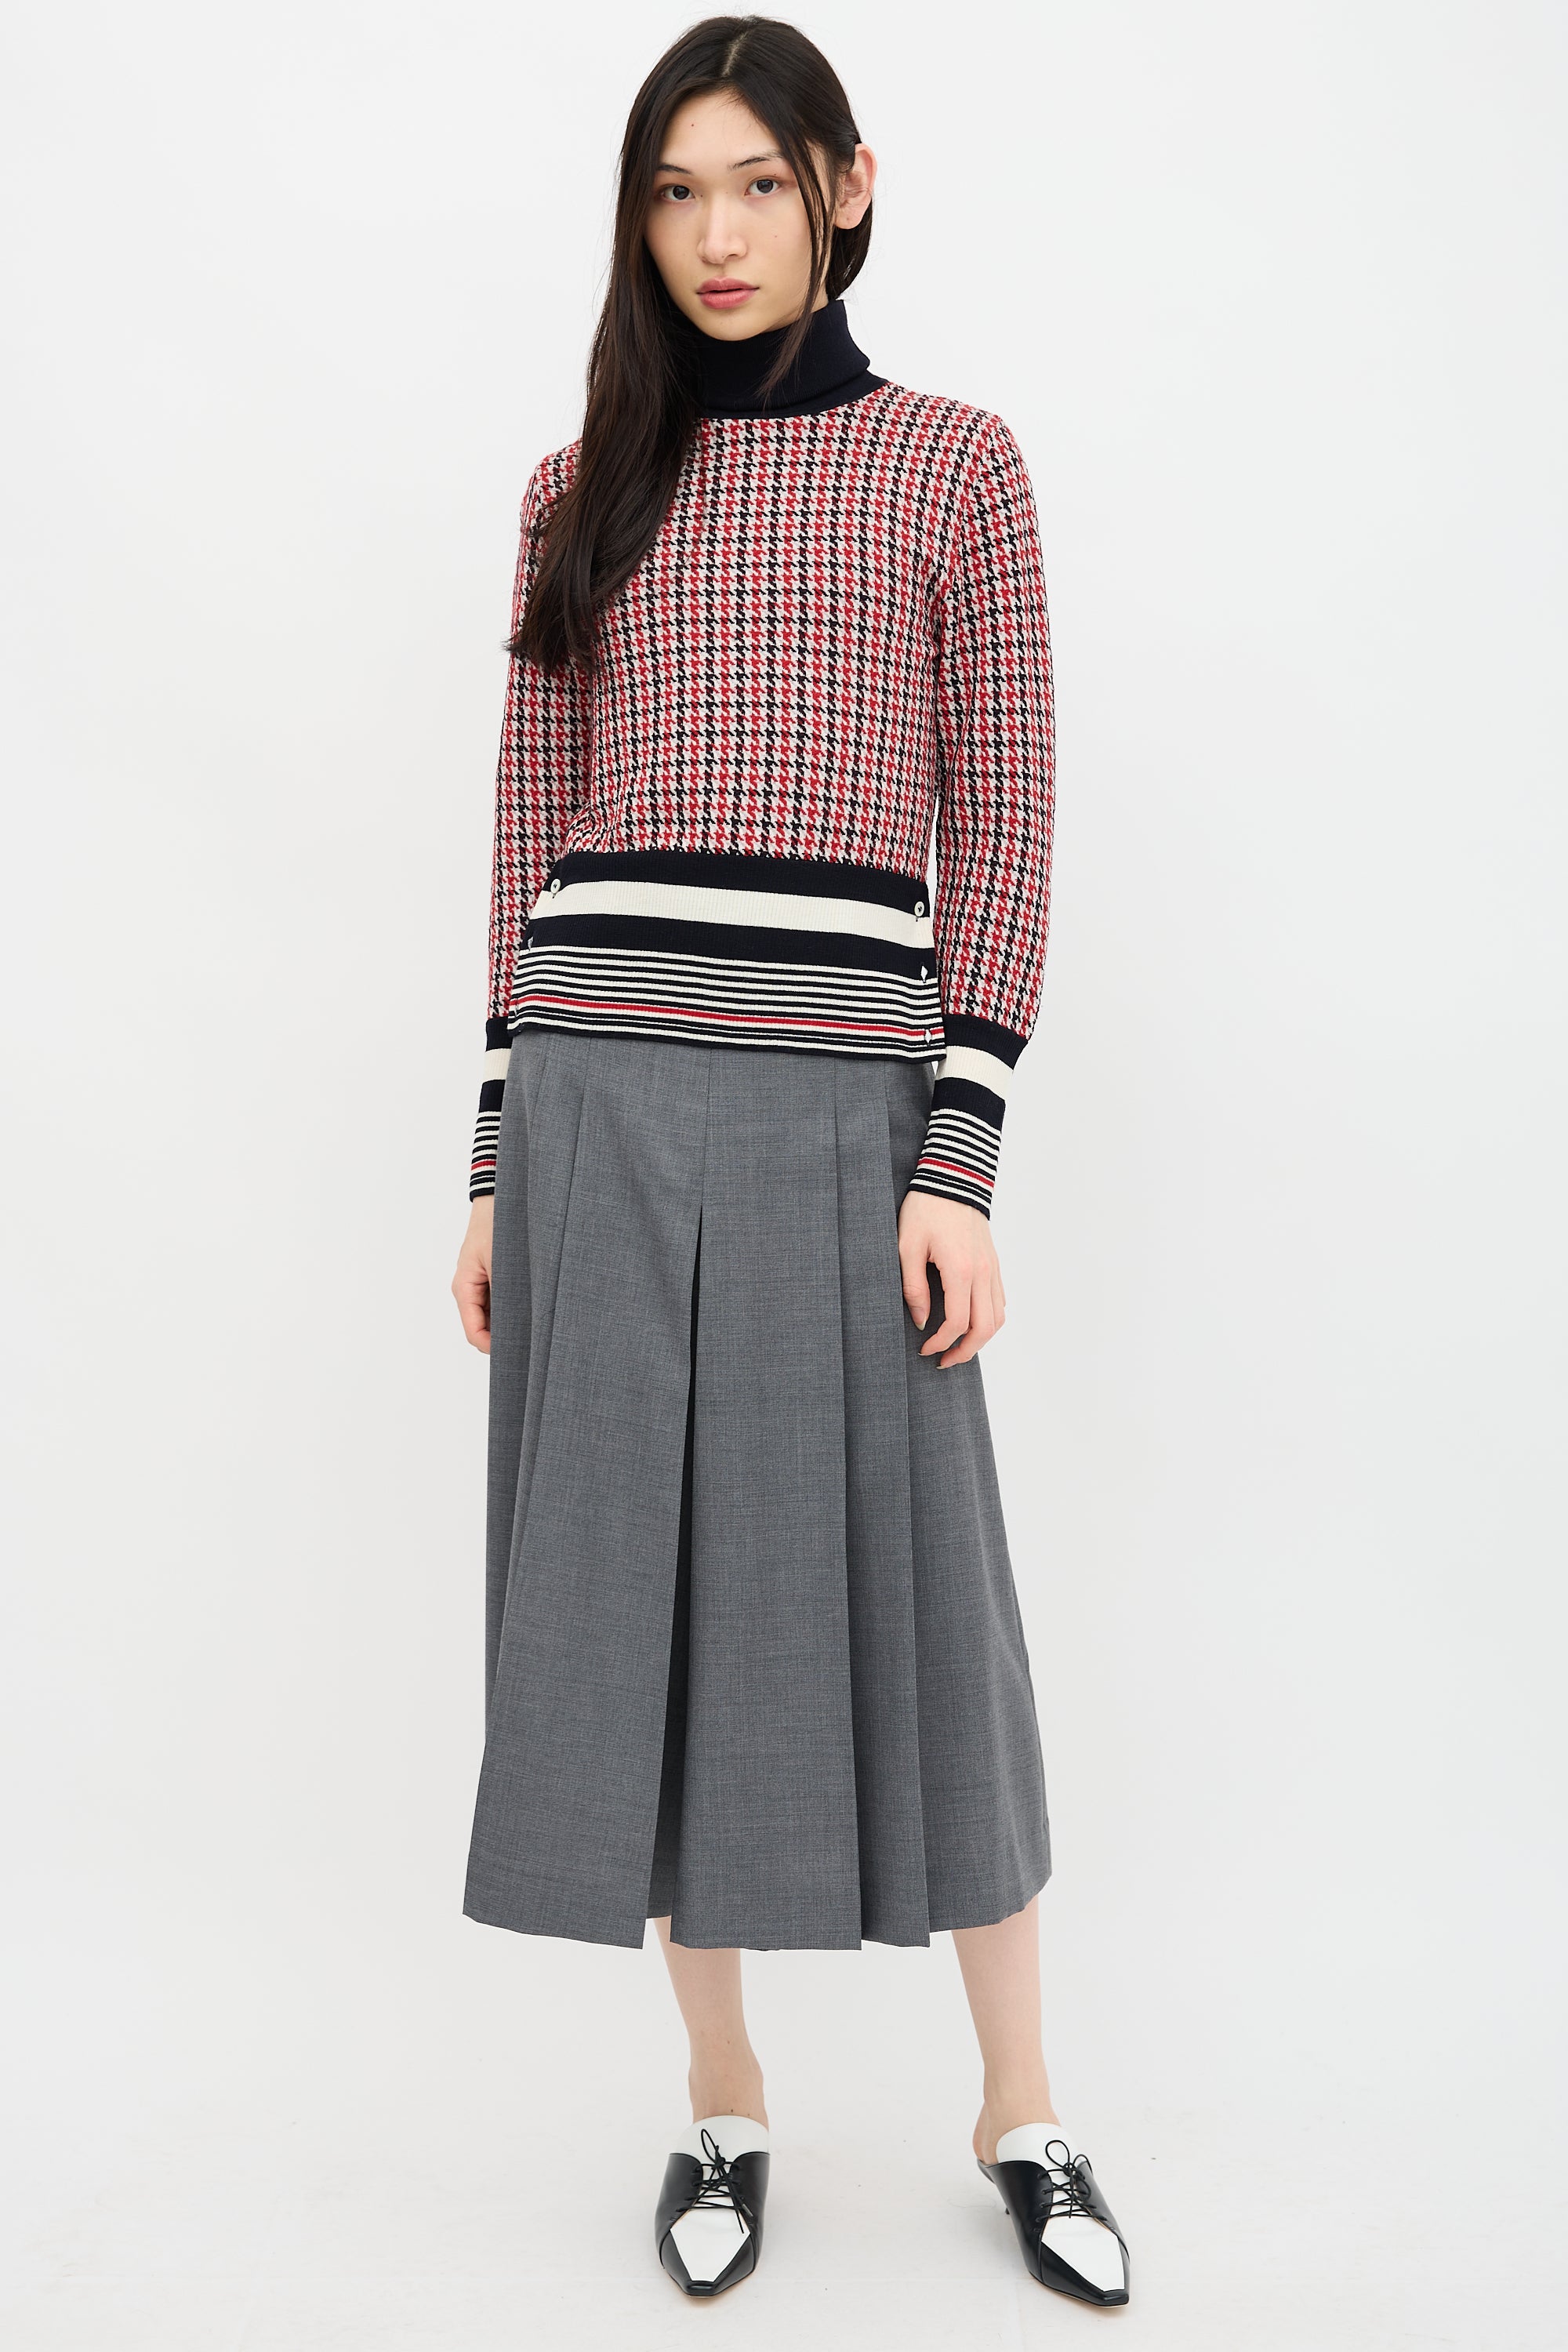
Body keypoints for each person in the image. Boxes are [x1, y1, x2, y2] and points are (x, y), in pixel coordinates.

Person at [448, 13, 1130, 2310]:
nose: (715, 233)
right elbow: (532, 827)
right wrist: (495, 1152)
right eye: (674, 191)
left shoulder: (956, 465)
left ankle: (1020, 2107)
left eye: (755, 181)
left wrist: (964, 1151)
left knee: (936, 1619)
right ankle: (726, 2099)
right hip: (603, 1110)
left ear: (847, 184)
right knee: (642, 1611)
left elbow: (1006, 806)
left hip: (852, 1119)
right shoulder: (580, 485)